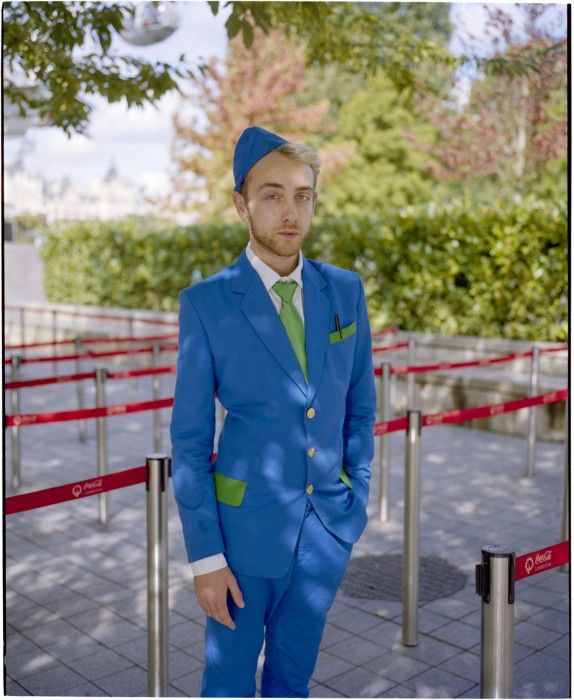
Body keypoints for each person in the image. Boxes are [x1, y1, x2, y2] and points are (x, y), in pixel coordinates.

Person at [170, 125, 376, 698]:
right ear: (242, 204)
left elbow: (360, 407)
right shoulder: (207, 303)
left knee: (292, 681)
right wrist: (206, 557)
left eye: (302, 194)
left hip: (325, 533)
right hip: (239, 538)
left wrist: (354, 500)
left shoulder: (344, 290)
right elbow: (188, 442)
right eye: (271, 194)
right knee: (229, 683)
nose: (291, 211)